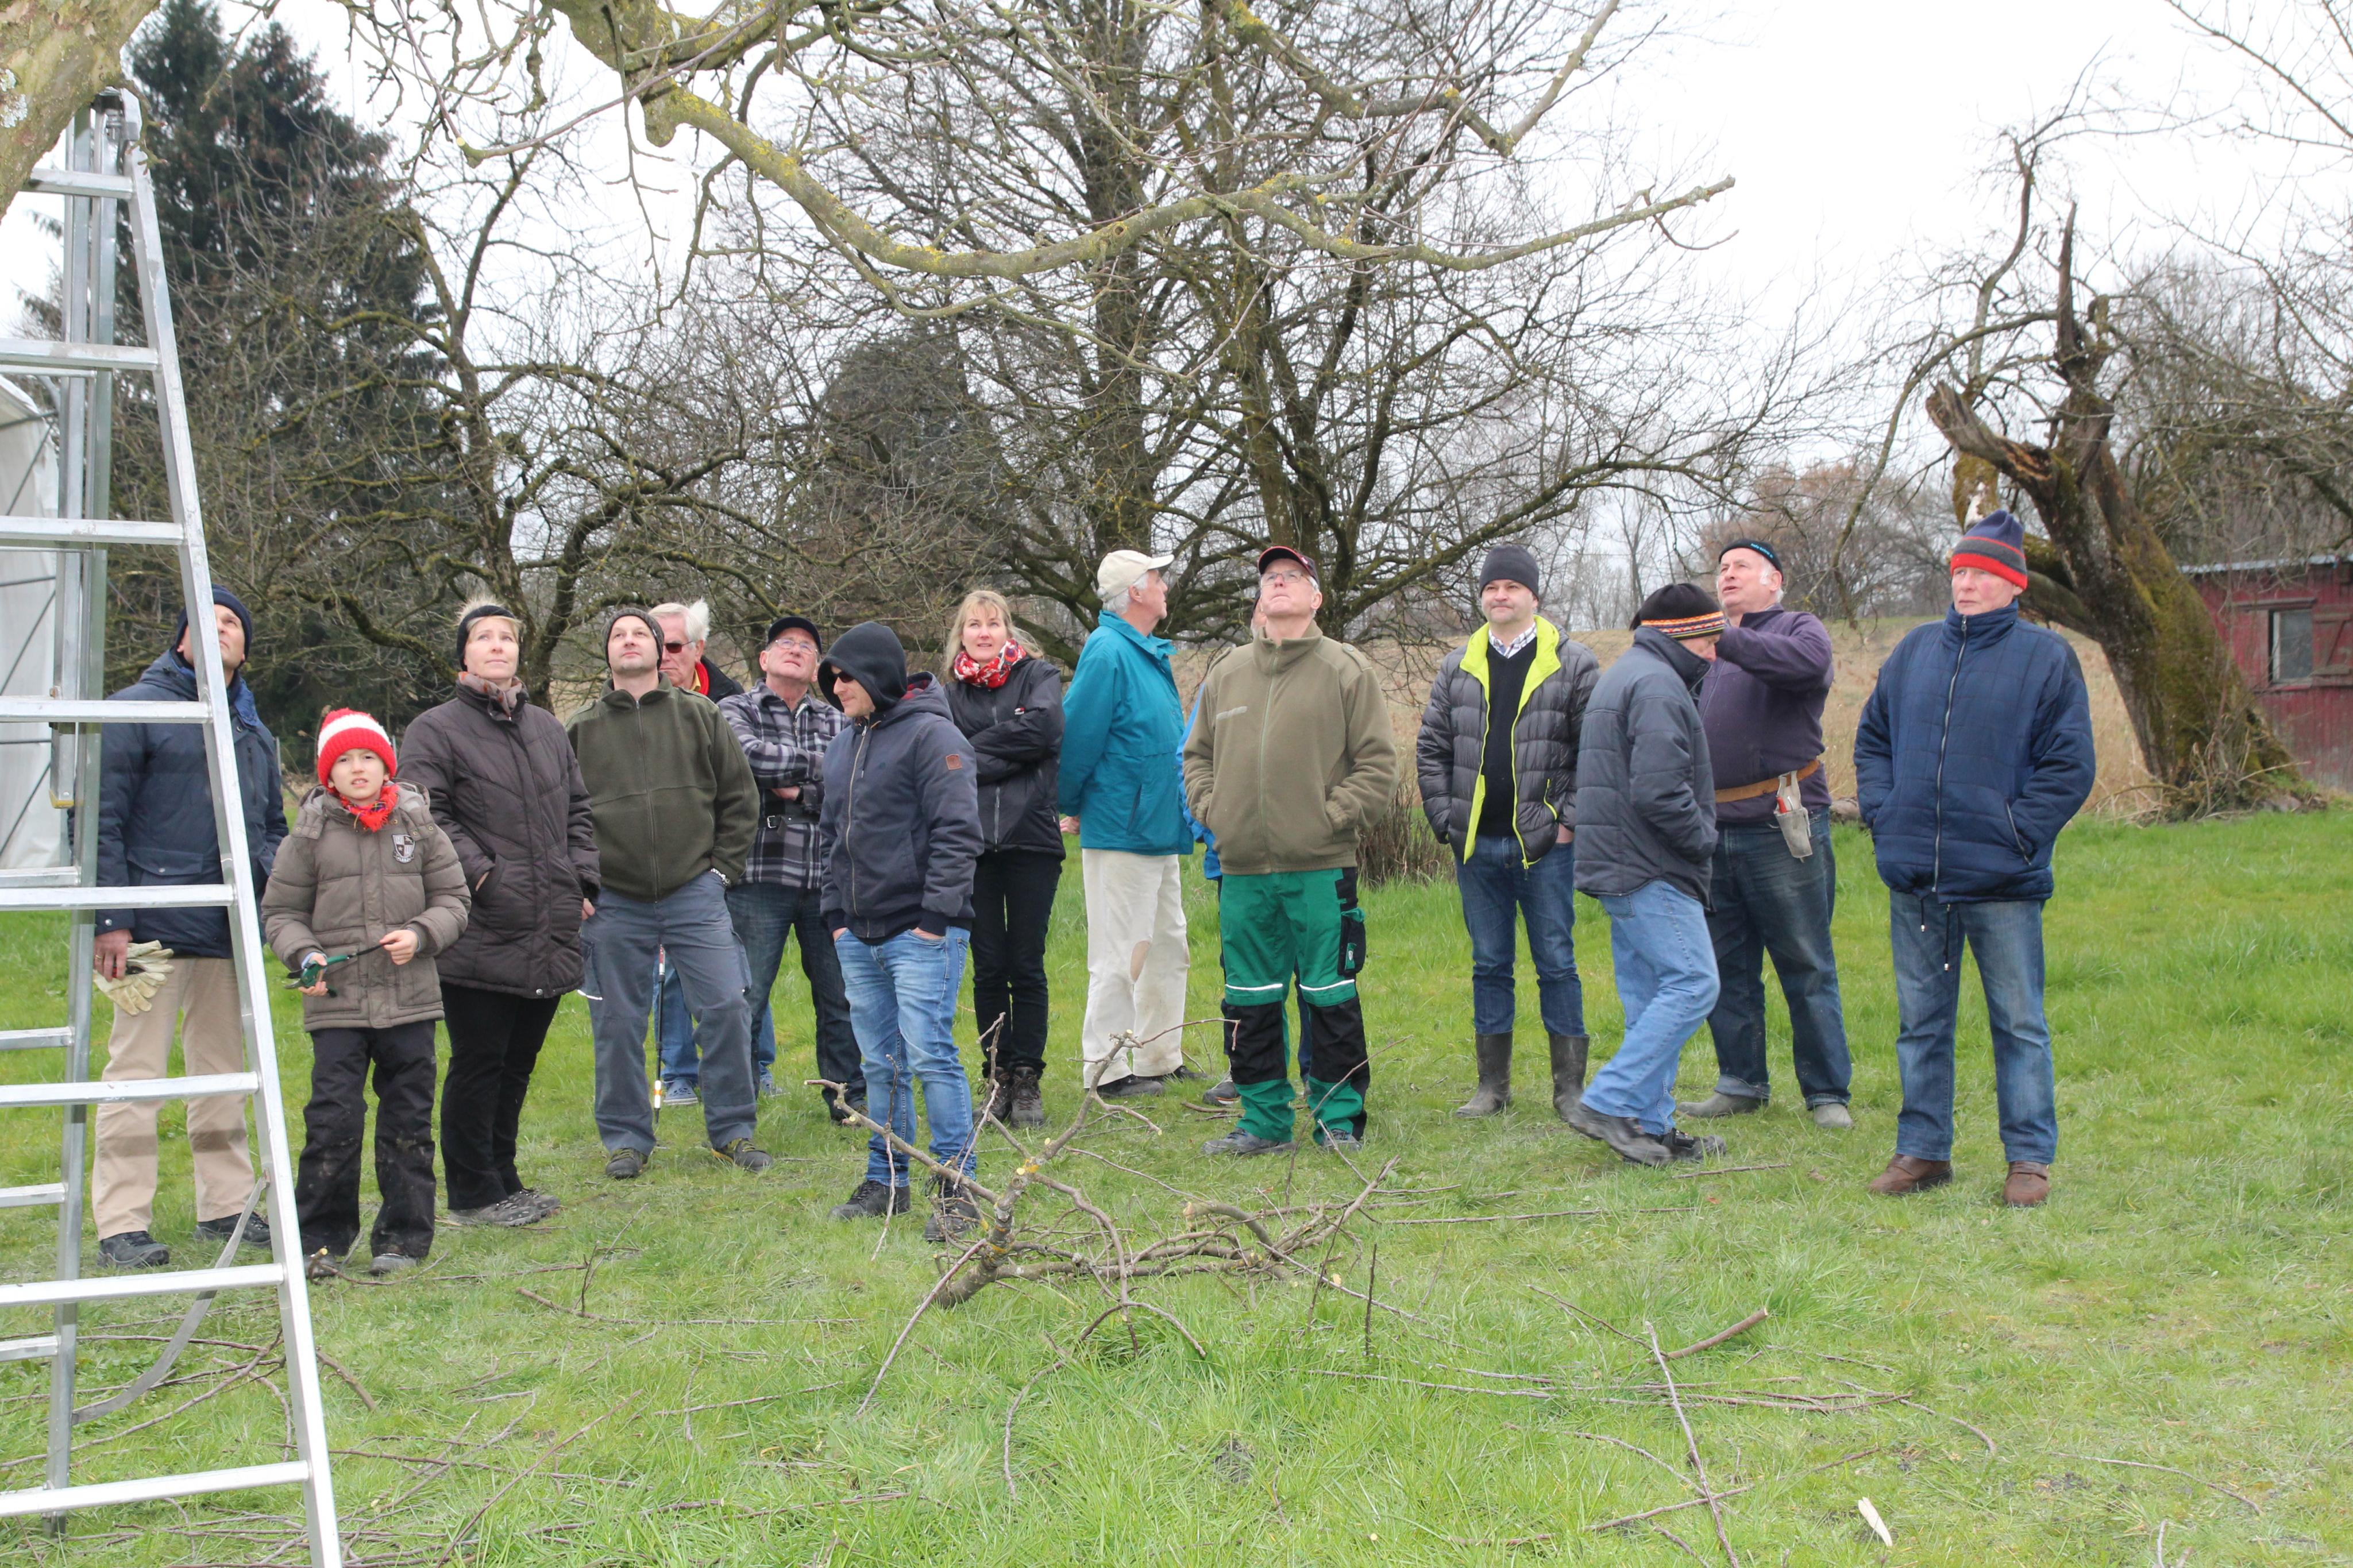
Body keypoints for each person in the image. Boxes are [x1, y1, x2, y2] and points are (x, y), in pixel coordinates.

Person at [1853, 509, 2094, 1208]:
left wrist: (2016, 834)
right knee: (1920, 1024)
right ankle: (1923, 1151)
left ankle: (2028, 1161)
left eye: (1981, 574)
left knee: (2019, 1024)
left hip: (2002, 881)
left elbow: (2069, 766)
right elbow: (1873, 741)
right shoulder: (1913, 651)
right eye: (1959, 571)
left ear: (2014, 585)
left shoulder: (2046, 658)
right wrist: (1884, 813)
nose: (1965, 584)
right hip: (1917, 878)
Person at [90, 588, 287, 1269]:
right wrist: (111, 921)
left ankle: (226, 1206)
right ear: (182, 638)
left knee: (224, 1073)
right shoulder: (132, 711)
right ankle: (121, 1223)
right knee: (134, 1073)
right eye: (207, 619)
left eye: (233, 622)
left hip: (225, 932)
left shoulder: (254, 734)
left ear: (245, 649)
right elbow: (100, 820)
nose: (220, 628)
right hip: (143, 932)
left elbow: (270, 830)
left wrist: (270, 902)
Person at [1183, 546, 1398, 1156]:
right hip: (1242, 870)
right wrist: (1214, 812)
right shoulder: (1228, 672)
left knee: (1330, 995)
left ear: (1315, 598)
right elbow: (1196, 757)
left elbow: (1377, 764)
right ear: (1260, 597)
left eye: (1292, 577)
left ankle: (1338, 1120)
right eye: (1270, 578)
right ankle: (1263, 1122)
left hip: (1321, 867)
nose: (1279, 584)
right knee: (1248, 1000)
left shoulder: (1346, 670)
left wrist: (1331, 819)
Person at [402, 600, 599, 1228]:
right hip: (477, 923)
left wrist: (581, 878)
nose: (496, 646)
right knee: (479, 1061)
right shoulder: (435, 730)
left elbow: (578, 811)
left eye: (506, 637)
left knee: (517, 1063)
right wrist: (485, 875)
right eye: (483, 637)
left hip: (548, 921)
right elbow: (425, 815)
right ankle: (471, 1193)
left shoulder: (546, 728)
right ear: (463, 653)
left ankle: (504, 1179)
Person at [261, 712, 470, 1278]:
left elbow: (454, 899)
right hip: (337, 1005)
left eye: (369, 758)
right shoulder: (308, 835)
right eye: (345, 761)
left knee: (408, 1123)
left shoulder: (419, 825)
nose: (358, 770)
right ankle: (320, 1240)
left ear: (387, 766)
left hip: (410, 1003)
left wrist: (422, 933)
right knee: (332, 1121)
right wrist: (305, 955)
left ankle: (402, 1239)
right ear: (328, 774)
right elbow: (280, 913)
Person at [567, 606, 770, 1177]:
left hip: (694, 893)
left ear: (660, 651)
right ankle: (626, 1141)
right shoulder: (579, 729)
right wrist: (579, 881)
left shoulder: (701, 715)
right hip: (613, 901)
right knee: (617, 1024)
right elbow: (559, 815)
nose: (629, 641)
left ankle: (733, 1132)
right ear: (608, 652)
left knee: (726, 1007)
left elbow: (740, 799)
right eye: (618, 634)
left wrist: (721, 873)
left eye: (641, 633)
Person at [1415, 542, 1600, 1122]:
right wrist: (1447, 820)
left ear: (1533, 597)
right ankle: (1491, 1088)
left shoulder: (1574, 663)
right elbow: (1432, 748)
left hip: (1545, 848)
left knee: (1557, 963)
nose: (1501, 596)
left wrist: (1567, 823)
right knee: (1489, 964)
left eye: (1512, 587)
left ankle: (1569, 1090)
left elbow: (1596, 753)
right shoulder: (1457, 665)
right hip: (1476, 847)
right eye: (1492, 588)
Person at [815, 623, 986, 1241]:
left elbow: (958, 833)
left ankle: (958, 1189)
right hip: (857, 936)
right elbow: (830, 839)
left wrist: (934, 921)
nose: (838, 688)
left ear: (877, 675)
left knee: (932, 1056)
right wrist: (836, 918)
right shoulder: (843, 745)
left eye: (847, 677)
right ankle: (886, 1180)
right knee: (878, 1064)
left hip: (921, 934)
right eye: (832, 678)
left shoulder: (934, 736)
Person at [1681, 539, 1855, 1130]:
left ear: (1775, 580)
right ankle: (1740, 1083)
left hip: (1782, 826)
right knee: (1726, 966)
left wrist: (1721, 636)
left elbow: (1804, 667)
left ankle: (1826, 1093)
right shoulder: (1705, 653)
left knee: (1805, 962)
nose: (1727, 574)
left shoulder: (1800, 629)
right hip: (1713, 829)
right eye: (1722, 568)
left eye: (1742, 567)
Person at [1564, 583, 1727, 1168]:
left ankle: (1651, 1126)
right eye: (1708, 639)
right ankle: (1609, 1101)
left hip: (1620, 862)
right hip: (1650, 864)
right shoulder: (1658, 685)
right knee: (1692, 984)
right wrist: (1704, 840)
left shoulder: (1628, 674)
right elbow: (1660, 792)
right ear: (1681, 635)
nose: (1714, 652)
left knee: (1651, 996)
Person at [1058, 550, 1195, 1098]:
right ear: (1136, 592)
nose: (1165, 586)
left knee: (1168, 947)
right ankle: (1107, 1071)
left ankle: (1159, 1057)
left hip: (1158, 824)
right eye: (1158, 578)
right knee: (1119, 955)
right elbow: (1077, 737)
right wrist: (1070, 804)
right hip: (1122, 826)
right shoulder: (1108, 650)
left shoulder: (1146, 651)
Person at [716, 615, 862, 1123]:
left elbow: (855, 779)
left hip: (828, 878)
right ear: (764, 658)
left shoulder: (838, 718)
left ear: (817, 664)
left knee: (841, 998)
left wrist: (798, 792)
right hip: (758, 876)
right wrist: (821, 768)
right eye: (786, 642)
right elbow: (745, 758)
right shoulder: (734, 708)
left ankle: (849, 1102)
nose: (796, 649)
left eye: (807, 646)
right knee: (746, 998)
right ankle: (736, 1110)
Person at [940, 590, 1065, 1129]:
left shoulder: (1039, 676)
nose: (984, 633)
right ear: (962, 635)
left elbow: (1045, 730)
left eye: (993, 624)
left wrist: (975, 751)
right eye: (974, 625)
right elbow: (946, 758)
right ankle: (996, 1078)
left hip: (1031, 838)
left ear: (1008, 631)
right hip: (973, 846)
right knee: (989, 966)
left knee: (1026, 963)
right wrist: (1010, 751)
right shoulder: (947, 695)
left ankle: (1028, 1076)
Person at [648, 597, 743, 1104]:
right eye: (656, 645)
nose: (664, 656)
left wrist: (724, 867)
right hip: (661, 866)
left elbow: (741, 790)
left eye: (674, 646)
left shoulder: (730, 701)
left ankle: (751, 1068)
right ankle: (678, 1072)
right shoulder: (629, 701)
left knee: (737, 971)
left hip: (721, 865)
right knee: (668, 974)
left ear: (698, 649)